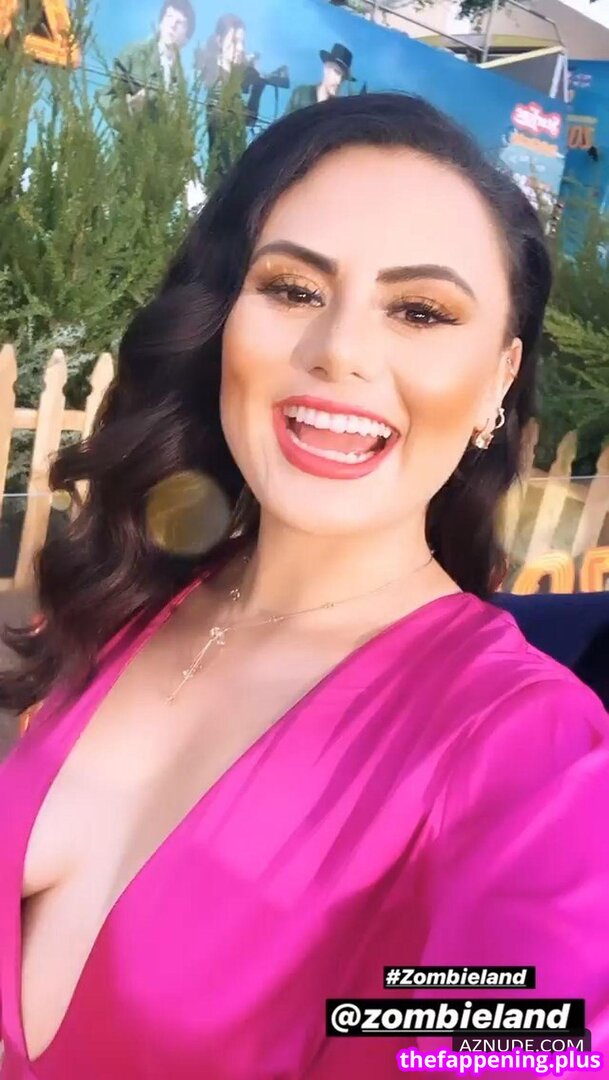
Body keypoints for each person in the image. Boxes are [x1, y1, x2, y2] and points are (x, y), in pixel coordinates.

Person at [0, 93, 607, 1079]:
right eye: (291, 288)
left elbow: (531, 1040)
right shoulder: (131, 605)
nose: (339, 351)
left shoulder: (528, 758)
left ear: (499, 377)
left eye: (420, 311)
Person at [99, 0, 196, 117]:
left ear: (186, 38)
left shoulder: (182, 79)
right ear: (161, 22)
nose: (172, 25)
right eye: (169, 16)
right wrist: (128, 109)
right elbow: (106, 96)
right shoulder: (135, 54)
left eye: (179, 23)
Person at [285, 42, 355, 114]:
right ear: (326, 68)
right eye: (337, 72)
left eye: (343, 78)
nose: (339, 81)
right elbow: (285, 121)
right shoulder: (300, 95)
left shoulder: (339, 110)